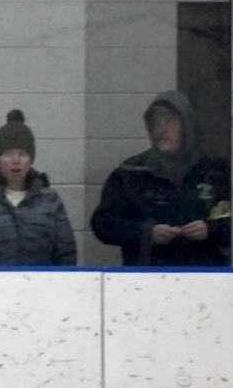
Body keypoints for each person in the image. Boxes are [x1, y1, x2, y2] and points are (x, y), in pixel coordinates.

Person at [91, 90, 231, 266]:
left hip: (207, 279)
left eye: (169, 121)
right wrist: (146, 233)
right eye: (155, 122)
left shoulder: (215, 171)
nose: (161, 129)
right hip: (146, 280)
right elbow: (102, 224)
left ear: (186, 125)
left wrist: (212, 229)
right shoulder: (131, 172)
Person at [0, 109, 77, 266]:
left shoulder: (50, 200)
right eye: (8, 154)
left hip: (42, 288)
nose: (16, 160)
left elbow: (66, 254)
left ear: (31, 159)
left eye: (22, 154)